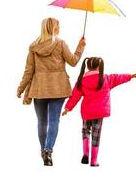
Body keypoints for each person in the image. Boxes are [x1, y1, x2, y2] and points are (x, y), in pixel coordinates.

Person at [17, 17, 86, 166]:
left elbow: (29, 71)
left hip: (39, 89)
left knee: (42, 122)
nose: (60, 28)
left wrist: (21, 88)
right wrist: (80, 47)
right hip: (58, 89)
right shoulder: (60, 44)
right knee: (54, 121)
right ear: (53, 28)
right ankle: (48, 150)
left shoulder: (33, 47)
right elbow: (73, 61)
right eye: (58, 26)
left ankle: (43, 151)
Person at [61, 57, 136, 167]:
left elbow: (75, 96)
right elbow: (119, 77)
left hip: (87, 112)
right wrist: (130, 76)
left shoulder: (81, 81)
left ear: (88, 67)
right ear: (99, 66)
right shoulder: (106, 79)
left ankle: (85, 154)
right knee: (96, 135)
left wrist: (67, 108)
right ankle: (93, 161)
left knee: (85, 132)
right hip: (99, 112)